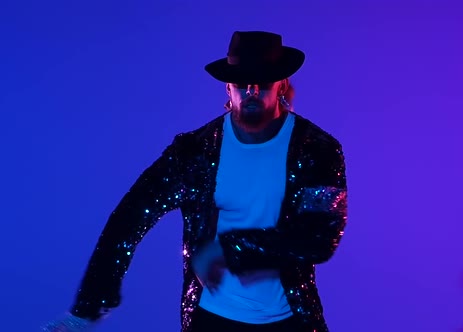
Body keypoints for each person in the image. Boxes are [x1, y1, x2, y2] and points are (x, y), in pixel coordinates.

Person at [42, 30, 348, 332]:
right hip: (211, 319)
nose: (252, 90)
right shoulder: (193, 152)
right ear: (228, 87)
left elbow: (319, 236)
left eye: (264, 81)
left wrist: (228, 250)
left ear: (281, 84)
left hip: (288, 320)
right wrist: (86, 309)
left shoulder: (317, 149)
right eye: (242, 82)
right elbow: (129, 218)